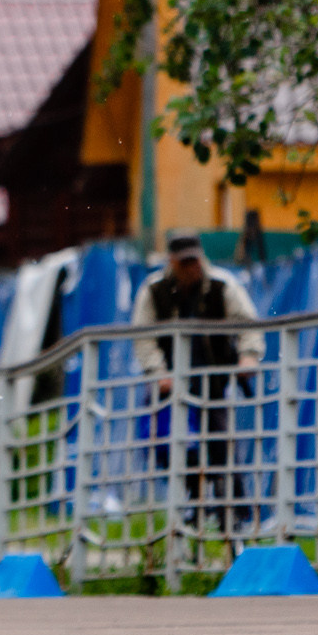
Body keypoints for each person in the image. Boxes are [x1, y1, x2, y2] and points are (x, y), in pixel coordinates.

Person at [130, 229, 263, 535]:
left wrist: (249, 356)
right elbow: (143, 338)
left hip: (212, 382)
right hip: (169, 385)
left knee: (222, 445)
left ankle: (235, 516)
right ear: (171, 261)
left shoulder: (222, 285)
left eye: (195, 260)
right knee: (163, 442)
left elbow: (248, 324)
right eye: (185, 262)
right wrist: (158, 372)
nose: (192, 267)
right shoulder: (153, 291)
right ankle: (192, 495)